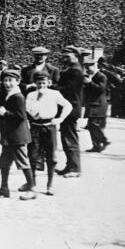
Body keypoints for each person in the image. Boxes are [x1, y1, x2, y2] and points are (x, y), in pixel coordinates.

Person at [0, 68, 35, 200]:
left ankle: (32, 188)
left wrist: (5, 113)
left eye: (10, 81)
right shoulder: (8, 94)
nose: (7, 83)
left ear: (18, 81)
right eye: (5, 80)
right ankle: (4, 188)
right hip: (9, 136)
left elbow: (21, 116)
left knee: (23, 162)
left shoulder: (18, 96)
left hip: (17, 136)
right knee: (4, 162)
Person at [25, 70, 72, 195]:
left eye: (44, 83)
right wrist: (34, 111)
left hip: (49, 127)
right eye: (39, 83)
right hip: (35, 127)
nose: (42, 86)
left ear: (49, 82)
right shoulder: (31, 95)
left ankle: (50, 185)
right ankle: (32, 183)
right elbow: (28, 109)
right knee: (33, 155)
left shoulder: (54, 94)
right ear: (35, 83)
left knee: (51, 156)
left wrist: (60, 119)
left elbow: (68, 106)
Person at [53, 46, 85, 178]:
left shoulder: (76, 71)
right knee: (66, 138)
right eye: (64, 55)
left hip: (71, 109)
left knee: (70, 138)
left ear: (76, 56)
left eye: (68, 56)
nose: (65, 58)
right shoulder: (72, 69)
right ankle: (70, 166)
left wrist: (52, 87)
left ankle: (75, 168)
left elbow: (68, 89)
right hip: (69, 108)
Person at [82, 59, 110, 152]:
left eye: (89, 66)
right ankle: (96, 146)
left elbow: (101, 89)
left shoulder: (101, 76)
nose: (87, 69)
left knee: (93, 124)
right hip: (92, 104)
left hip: (99, 104)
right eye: (86, 67)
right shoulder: (89, 76)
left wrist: (90, 82)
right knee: (91, 125)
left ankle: (104, 140)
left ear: (95, 66)